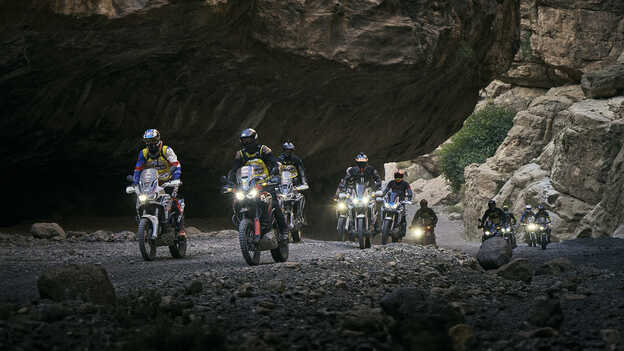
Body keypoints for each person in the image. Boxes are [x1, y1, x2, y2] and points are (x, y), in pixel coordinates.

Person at [227, 128, 288, 243]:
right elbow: (234, 170)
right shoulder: (240, 154)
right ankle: (244, 227)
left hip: (265, 182)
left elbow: (274, 163)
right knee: (236, 201)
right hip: (248, 185)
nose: (247, 142)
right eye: (244, 140)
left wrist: (275, 174)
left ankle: (284, 230)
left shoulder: (263, 150)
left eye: (249, 139)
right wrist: (229, 182)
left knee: (274, 202)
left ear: (254, 138)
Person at [133, 129, 186, 237]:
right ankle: (144, 222)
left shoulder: (166, 150)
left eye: (152, 140)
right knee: (143, 199)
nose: (150, 144)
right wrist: (135, 182)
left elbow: (176, 164)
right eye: (148, 141)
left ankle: (180, 229)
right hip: (152, 182)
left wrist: (176, 178)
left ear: (158, 139)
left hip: (168, 180)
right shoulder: (143, 153)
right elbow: (138, 168)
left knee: (172, 199)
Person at [338, 153, 382, 230]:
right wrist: (343, 189)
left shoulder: (371, 169)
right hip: (356, 192)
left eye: (363, 163)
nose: (361, 164)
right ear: (356, 162)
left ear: (366, 162)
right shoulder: (352, 170)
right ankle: (349, 223)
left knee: (377, 203)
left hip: (368, 191)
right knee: (348, 204)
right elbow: (345, 180)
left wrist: (376, 187)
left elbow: (378, 179)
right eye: (360, 163)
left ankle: (377, 225)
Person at [278, 141, 309, 224]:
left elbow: (302, 172)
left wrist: (304, 182)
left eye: (290, 151)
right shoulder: (279, 160)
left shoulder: (297, 160)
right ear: (283, 150)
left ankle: (301, 215)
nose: (288, 152)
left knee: (302, 196)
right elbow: (274, 171)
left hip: (295, 184)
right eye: (286, 150)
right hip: (282, 184)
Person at [382, 171, 413, 236]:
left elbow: (409, 191)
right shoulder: (391, 182)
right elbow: (386, 190)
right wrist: (382, 195)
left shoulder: (405, 184)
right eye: (396, 177)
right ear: (394, 177)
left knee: (403, 214)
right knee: (383, 209)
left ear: (402, 177)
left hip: (401, 202)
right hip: (392, 201)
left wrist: (409, 197)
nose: (398, 178)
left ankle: (403, 230)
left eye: (399, 177)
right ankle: (381, 225)